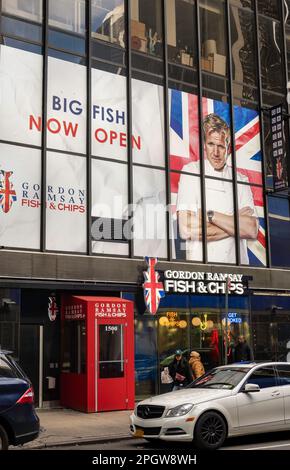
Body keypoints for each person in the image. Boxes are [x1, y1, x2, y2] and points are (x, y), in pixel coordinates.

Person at [176, 113, 259, 264]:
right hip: (202, 271)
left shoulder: (240, 180)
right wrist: (235, 222)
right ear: (203, 144)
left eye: (220, 146)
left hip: (238, 271)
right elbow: (186, 228)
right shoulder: (191, 172)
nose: (215, 152)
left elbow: (252, 229)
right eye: (210, 144)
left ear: (228, 147)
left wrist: (209, 215)